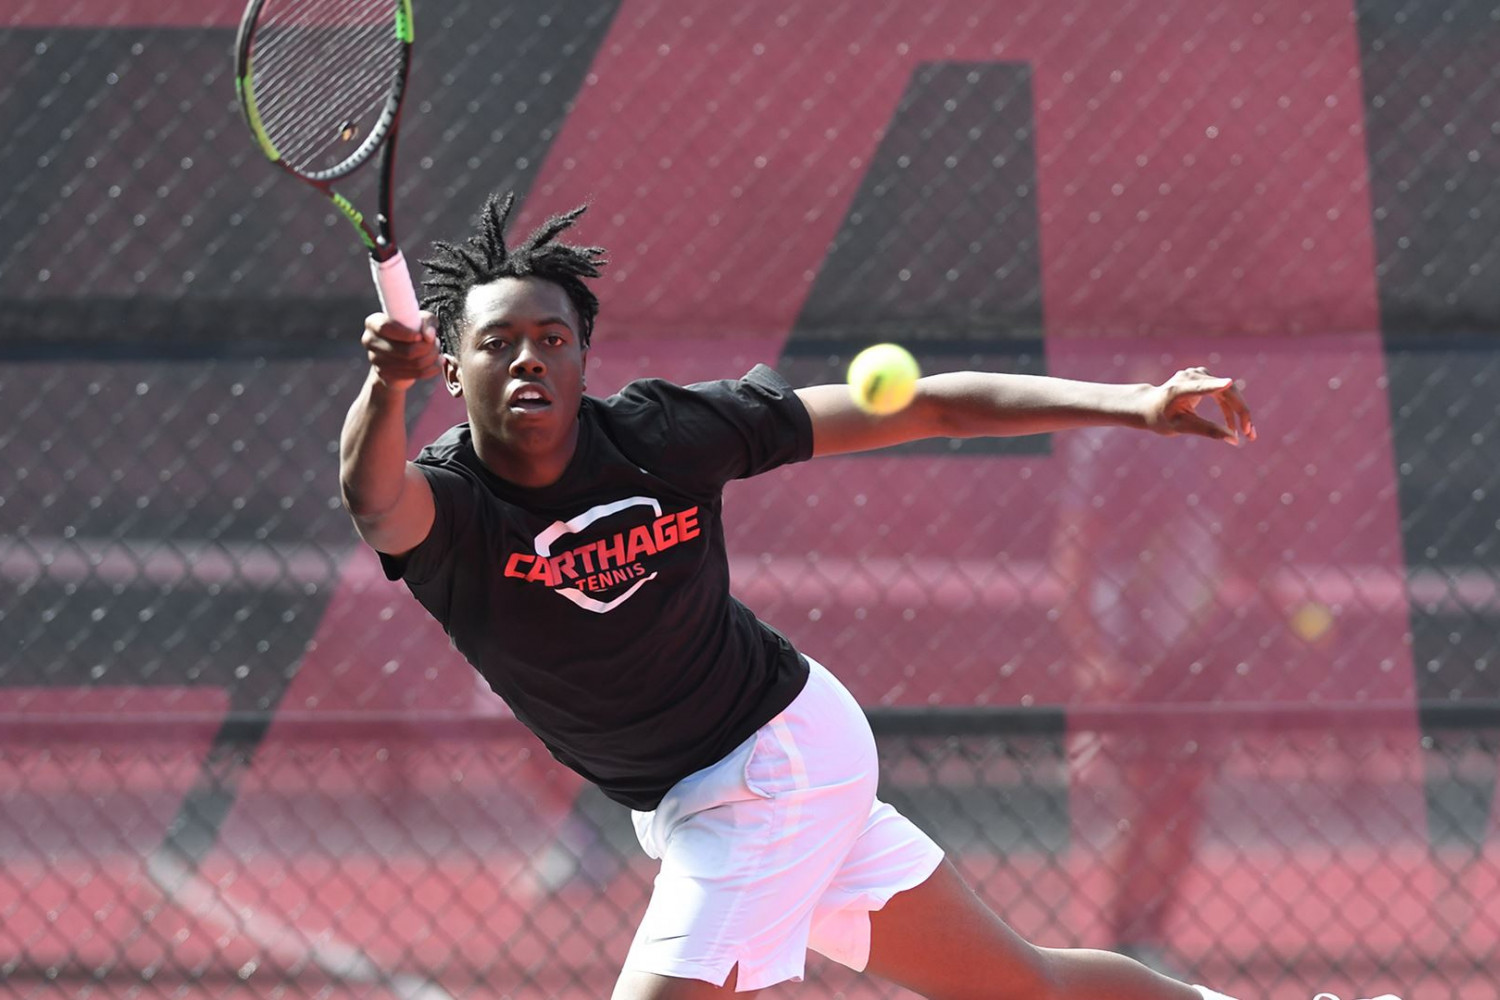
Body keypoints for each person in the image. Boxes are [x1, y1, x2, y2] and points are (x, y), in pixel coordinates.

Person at [338, 191, 1397, 1000]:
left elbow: (927, 407)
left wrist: (1137, 404)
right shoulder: (450, 508)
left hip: (771, 760)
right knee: (1020, 984)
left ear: (583, 360)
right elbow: (371, 496)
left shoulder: (663, 435)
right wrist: (384, 386)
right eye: (498, 342)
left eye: (553, 340)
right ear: (455, 365)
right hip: (699, 791)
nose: (530, 360)